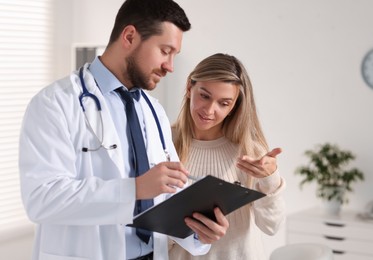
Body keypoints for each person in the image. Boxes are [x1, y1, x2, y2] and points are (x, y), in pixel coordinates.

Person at [18, 1, 229, 260]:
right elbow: (42, 200)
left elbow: (168, 193)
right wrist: (135, 189)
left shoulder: (154, 110)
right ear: (129, 36)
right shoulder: (56, 103)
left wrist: (199, 230)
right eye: (165, 51)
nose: (170, 66)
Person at [169, 53, 286, 259]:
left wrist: (270, 179)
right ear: (189, 88)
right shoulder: (162, 143)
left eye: (224, 103)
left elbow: (271, 226)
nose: (209, 110)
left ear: (234, 106)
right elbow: (148, 232)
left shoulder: (251, 153)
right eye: (204, 96)